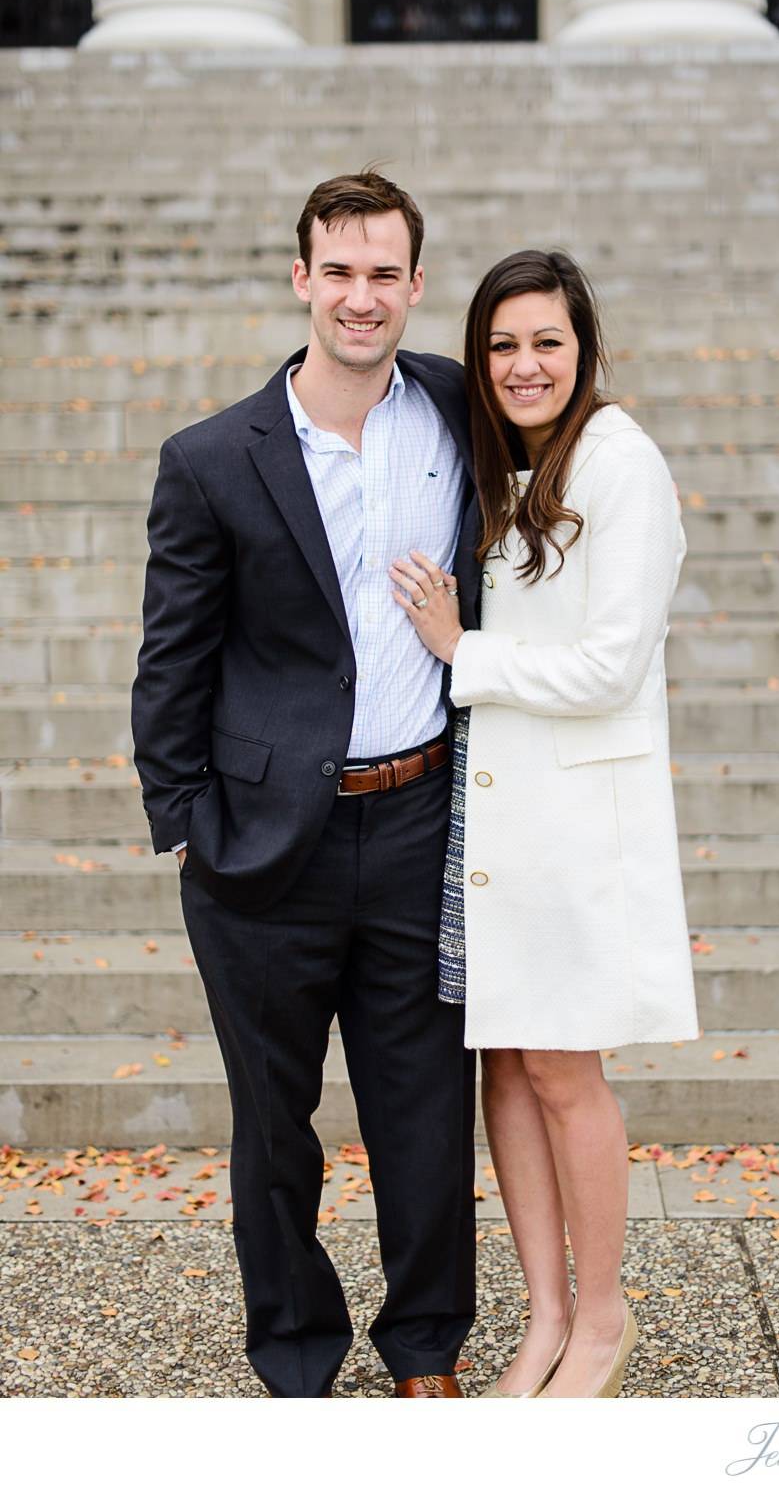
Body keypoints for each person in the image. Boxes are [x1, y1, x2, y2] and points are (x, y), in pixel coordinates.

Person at [131, 170, 479, 1400]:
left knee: (425, 1108)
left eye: (384, 273)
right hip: (263, 843)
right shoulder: (216, 457)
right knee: (275, 1126)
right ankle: (294, 1352)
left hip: (421, 818)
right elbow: (170, 656)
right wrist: (187, 825)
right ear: (301, 281)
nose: (361, 296)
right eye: (339, 270)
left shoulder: (457, 409)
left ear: (416, 287)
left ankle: (427, 1343)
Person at [390, 250, 697, 1399]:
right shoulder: (510, 466)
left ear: (587, 349)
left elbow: (613, 665)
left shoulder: (622, 465)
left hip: (575, 824)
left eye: (546, 343)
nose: (523, 366)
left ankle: (604, 1321)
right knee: (506, 1070)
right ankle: (546, 1317)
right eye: (502, 346)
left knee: (563, 1068)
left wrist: (459, 649)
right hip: (496, 822)